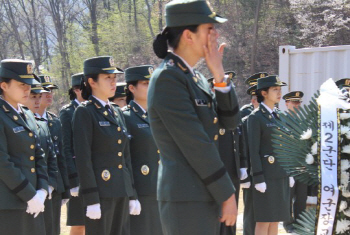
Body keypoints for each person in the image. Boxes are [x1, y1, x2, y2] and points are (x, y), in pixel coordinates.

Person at [148, 0, 241, 234]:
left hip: (205, 193)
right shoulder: (167, 79)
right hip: (187, 200)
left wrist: (219, 76)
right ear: (189, 36)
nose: (215, 33)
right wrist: (226, 192)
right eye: (209, 28)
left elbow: (230, 123)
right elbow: (196, 144)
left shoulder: (195, 78)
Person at [72, 56, 139, 235]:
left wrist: (132, 194)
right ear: (92, 82)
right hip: (101, 192)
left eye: (114, 78)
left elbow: (125, 156)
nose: (113, 82)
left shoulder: (116, 111)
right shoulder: (85, 112)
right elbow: (83, 158)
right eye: (107, 78)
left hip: (121, 190)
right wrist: (91, 198)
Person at [0, 59, 48, 234]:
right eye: (21, 84)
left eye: (29, 84)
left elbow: (39, 154)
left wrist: (42, 190)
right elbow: (3, 163)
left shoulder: (26, 114)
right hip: (10, 203)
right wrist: (29, 194)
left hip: (34, 201)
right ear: (4, 85)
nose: (27, 89)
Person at [247, 75, 294, 235]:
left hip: (280, 174)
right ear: (264, 93)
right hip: (266, 177)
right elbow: (253, 150)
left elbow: (285, 147)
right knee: (263, 220)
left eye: (280, 89)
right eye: (275, 89)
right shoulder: (256, 117)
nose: (279, 93)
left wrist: (289, 172)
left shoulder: (280, 115)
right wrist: (258, 177)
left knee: (275, 219)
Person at [122, 65, 163, 235]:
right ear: (132, 88)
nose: (151, 86)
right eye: (146, 83)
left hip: (162, 187)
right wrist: (131, 194)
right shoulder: (124, 116)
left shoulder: (159, 114)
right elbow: (124, 158)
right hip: (142, 189)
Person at [22, 77, 61, 235]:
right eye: (33, 96)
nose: (37, 101)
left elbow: (50, 158)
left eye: (40, 96)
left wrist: (47, 187)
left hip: (45, 191)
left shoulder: (42, 124)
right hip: (23, 192)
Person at [36, 75, 70, 235]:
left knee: (54, 230)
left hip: (55, 186)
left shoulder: (54, 121)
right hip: (38, 186)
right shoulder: (28, 120)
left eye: (50, 90)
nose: (49, 94)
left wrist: (65, 188)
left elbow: (60, 156)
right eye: (44, 91)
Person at [59, 72, 86, 235]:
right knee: (79, 223)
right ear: (76, 90)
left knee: (95, 221)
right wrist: (73, 180)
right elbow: (66, 149)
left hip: (93, 175)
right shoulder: (68, 112)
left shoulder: (92, 109)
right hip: (77, 175)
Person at [282, 91, 307, 233]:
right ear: (287, 104)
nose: (297, 105)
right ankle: (288, 223)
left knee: (301, 197)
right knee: (288, 196)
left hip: (302, 166)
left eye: (298, 102)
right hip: (287, 166)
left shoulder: (304, 122)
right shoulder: (281, 119)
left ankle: (300, 223)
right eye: (294, 102)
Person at [241, 83, 259, 235]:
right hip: (251, 171)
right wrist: (244, 171)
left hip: (266, 171)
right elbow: (244, 147)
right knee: (251, 209)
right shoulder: (247, 118)